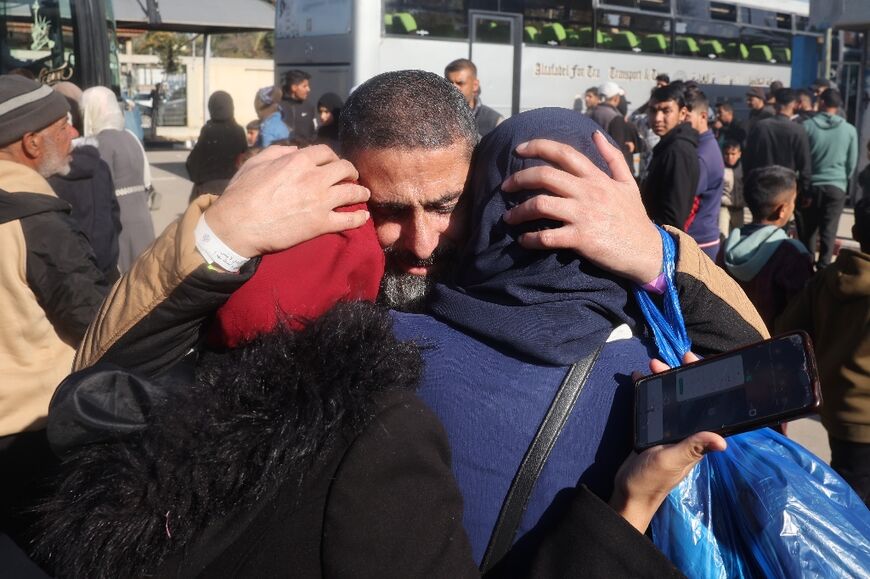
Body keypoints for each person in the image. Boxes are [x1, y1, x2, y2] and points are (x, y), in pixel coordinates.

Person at [34, 185, 726, 577]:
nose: (422, 241)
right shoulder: (376, 438)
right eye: (388, 212)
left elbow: (99, 370)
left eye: (448, 203)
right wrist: (629, 508)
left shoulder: (131, 435)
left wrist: (216, 241)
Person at [0, 74, 108, 547]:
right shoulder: (36, 222)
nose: (73, 135)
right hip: (31, 432)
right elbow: (95, 324)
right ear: (29, 142)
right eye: (63, 125)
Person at [776, 197, 870, 506]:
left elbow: (788, 330)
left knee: (848, 488)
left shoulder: (827, 279)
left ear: (854, 229)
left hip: (836, 408)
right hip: (864, 418)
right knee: (854, 509)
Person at [720, 166, 813, 330]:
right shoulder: (792, 254)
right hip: (774, 346)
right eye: (793, 201)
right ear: (782, 210)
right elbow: (803, 313)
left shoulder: (726, 246)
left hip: (733, 342)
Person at [48, 82, 122, 284]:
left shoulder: (48, 177)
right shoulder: (98, 164)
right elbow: (114, 218)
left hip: (71, 279)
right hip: (106, 268)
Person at [80, 86, 155, 272]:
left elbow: (99, 189)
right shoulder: (131, 137)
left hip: (120, 220)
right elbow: (147, 180)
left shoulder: (100, 143)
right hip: (142, 216)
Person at [799, 88, 859, 269]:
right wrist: (841, 179)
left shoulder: (807, 127)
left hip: (811, 187)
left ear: (822, 103)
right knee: (829, 231)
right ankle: (824, 270)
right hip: (836, 187)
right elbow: (851, 163)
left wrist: (804, 184)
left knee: (808, 232)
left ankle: (806, 269)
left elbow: (803, 160)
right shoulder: (849, 130)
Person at [641, 83, 701, 232]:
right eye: (653, 111)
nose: (658, 118)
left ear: (682, 113)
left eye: (666, 111)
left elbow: (672, 219)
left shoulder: (678, 151)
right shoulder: (668, 145)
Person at [742, 88, 812, 200]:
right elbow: (804, 165)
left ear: (775, 104)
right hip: (785, 186)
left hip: (762, 184)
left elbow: (748, 158)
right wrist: (805, 192)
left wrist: (746, 183)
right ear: (794, 104)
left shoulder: (760, 127)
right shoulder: (798, 130)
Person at [684, 86, 725, 260]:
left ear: (703, 116)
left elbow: (687, 202)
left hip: (698, 241)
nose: (681, 121)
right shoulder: (703, 146)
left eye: (686, 117)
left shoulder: (702, 156)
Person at [185, 91, 248, 202]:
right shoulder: (238, 131)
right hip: (234, 189)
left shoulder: (209, 130)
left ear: (211, 108)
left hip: (207, 190)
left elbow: (195, 162)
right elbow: (245, 158)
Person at [444, 58, 504, 138]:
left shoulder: (494, 121)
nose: (453, 88)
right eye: (449, 83)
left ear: (475, 85)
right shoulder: (438, 116)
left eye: (460, 83)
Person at [588, 81, 631, 168]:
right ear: (616, 99)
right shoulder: (616, 118)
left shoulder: (589, 113)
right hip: (609, 169)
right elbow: (618, 149)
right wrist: (628, 148)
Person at [280, 69, 316, 145]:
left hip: (305, 153)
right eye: (304, 86)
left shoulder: (309, 107)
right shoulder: (280, 107)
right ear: (294, 87)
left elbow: (313, 131)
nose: (308, 89)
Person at [719, 140, 745, 235]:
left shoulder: (744, 169)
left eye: (733, 154)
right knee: (723, 233)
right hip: (724, 206)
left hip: (740, 208)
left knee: (738, 233)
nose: (730, 157)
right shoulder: (720, 169)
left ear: (739, 154)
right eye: (727, 154)